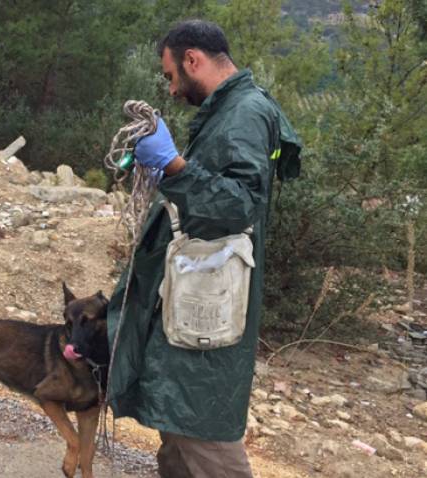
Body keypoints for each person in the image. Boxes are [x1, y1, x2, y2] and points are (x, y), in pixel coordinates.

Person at [105, 20, 302, 477]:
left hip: (211, 298)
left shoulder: (246, 114)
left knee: (201, 425)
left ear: (193, 59)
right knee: (178, 420)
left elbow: (240, 205)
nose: (171, 90)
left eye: (172, 76)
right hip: (196, 290)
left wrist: (174, 167)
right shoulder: (227, 111)